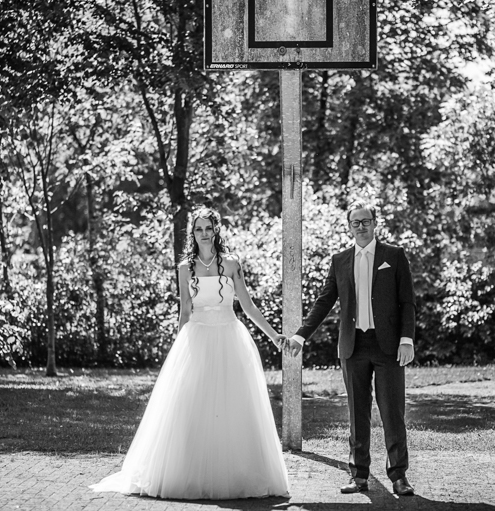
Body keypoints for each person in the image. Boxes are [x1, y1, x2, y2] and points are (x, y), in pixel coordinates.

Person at [90, 207, 290, 500]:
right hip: (196, 337)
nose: (204, 233)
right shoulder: (185, 267)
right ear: (192, 233)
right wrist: (179, 347)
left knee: (232, 403)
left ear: (216, 230)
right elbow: (185, 309)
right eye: (199, 229)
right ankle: (188, 472)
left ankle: (236, 473)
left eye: (208, 228)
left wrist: (274, 336)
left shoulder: (232, 263)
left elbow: (247, 306)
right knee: (192, 402)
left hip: (229, 337)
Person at [285, 202, 416, 496]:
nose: (361, 227)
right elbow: (324, 301)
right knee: (357, 414)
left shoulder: (394, 256)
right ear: (349, 227)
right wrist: (301, 336)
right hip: (353, 346)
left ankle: (399, 476)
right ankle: (358, 476)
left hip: (388, 347)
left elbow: (408, 301)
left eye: (365, 221)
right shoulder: (340, 260)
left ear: (375, 223)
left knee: (392, 413)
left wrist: (406, 339)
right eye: (355, 222)